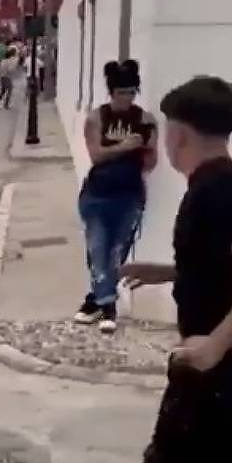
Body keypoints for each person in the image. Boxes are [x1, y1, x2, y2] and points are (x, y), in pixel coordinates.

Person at [121, 76, 232, 463]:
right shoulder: (215, 185)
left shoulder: (222, 187)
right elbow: (231, 261)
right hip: (226, 365)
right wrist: (172, 272)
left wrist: (217, 343)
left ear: (180, 134)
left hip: (229, 369)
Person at [73, 59, 157, 334]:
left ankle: (96, 302)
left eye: (132, 92)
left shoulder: (144, 120)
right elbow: (96, 155)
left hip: (129, 195)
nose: (127, 98)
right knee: (97, 250)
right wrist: (125, 146)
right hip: (97, 194)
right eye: (122, 92)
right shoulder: (97, 118)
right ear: (112, 92)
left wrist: (147, 148)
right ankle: (107, 306)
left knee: (116, 253)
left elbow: (150, 163)